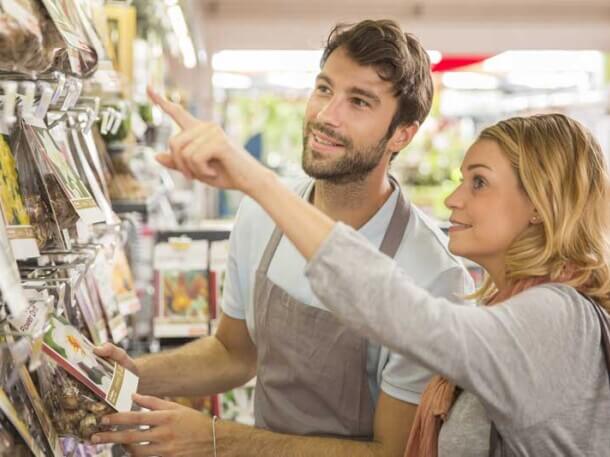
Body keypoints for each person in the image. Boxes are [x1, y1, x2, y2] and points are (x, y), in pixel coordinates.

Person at [96, 110, 610, 456]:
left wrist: (257, 182)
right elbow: (235, 352)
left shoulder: (558, 320)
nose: (454, 200)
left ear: (541, 207)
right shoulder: (511, 305)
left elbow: (413, 319)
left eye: (479, 182)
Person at [92, 19, 474, 457]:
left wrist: (217, 439)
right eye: (325, 89)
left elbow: (391, 452)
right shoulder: (260, 212)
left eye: (360, 102)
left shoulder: (434, 275)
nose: (327, 116)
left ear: (403, 133)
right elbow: (234, 353)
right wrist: (130, 375)